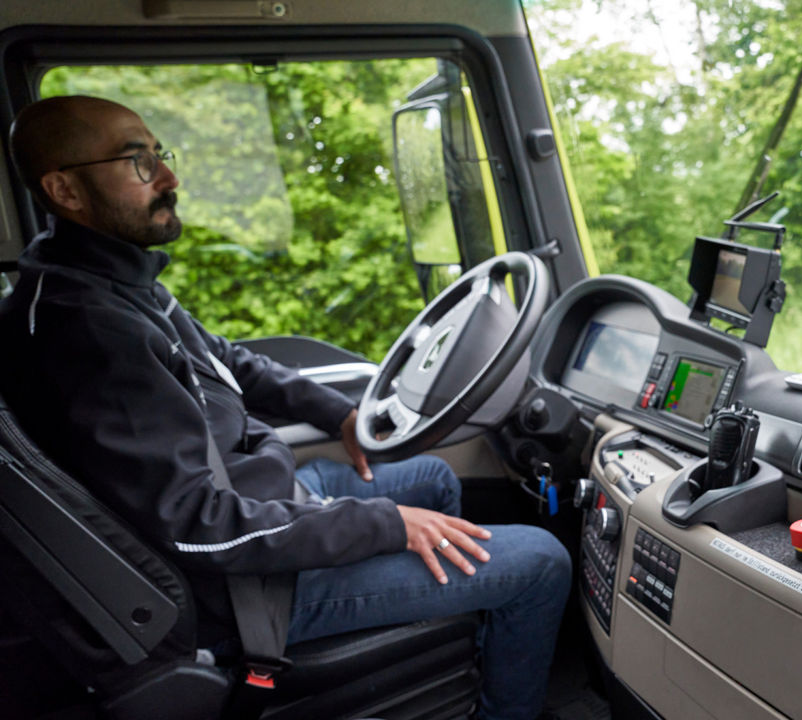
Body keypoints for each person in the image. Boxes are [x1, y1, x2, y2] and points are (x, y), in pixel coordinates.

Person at [0, 95, 570, 720]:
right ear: (66, 190)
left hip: (250, 503)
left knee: (429, 477)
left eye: (159, 155)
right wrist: (382, 525)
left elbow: (229, 361)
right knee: (541, 561)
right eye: (138, 163)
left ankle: (452, 650)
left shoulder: (110, 283)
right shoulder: (88, 331)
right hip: (237, 592)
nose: (169, 178)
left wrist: (340, 415)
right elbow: (197, 529)